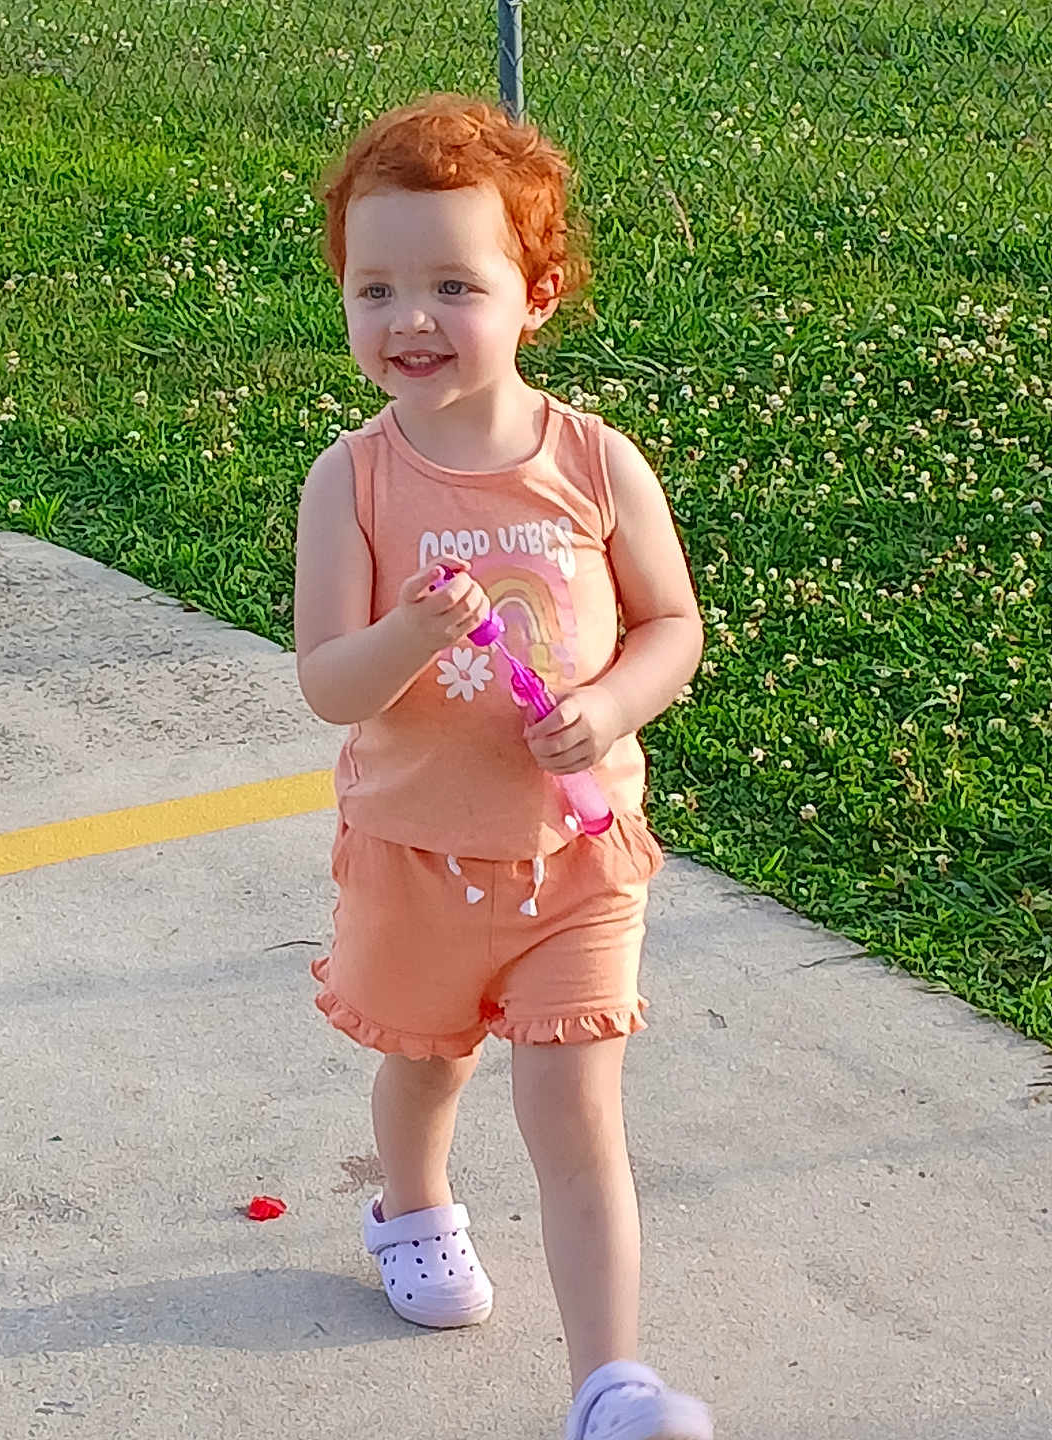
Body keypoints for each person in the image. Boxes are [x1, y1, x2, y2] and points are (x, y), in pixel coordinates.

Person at [293, 94, 712, 1440]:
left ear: (535, 296)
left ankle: (611, 1384)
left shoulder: (593, 462)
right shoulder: (351, 482)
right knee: (428, 1064)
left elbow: (672, 624)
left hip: (577, 856)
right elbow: (325, 686)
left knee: (575, 1105)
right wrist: (410, 630)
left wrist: (608, 704)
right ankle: (411, 1206)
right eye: (377, 288)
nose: (410, 319)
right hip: (417, 853)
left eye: (452, 285)